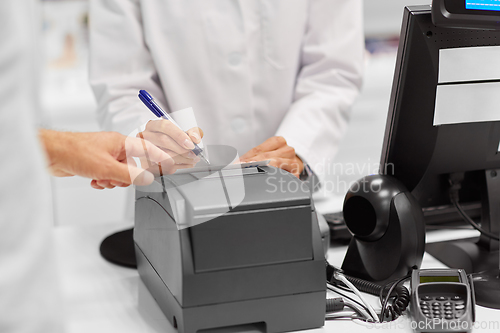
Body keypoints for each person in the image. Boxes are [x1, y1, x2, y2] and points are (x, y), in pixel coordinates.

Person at [89, 0, 364, 181]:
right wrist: (149, 137)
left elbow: (332, 73)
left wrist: (299, 146)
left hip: (291, 186)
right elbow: (121, 86)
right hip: (174, 191)